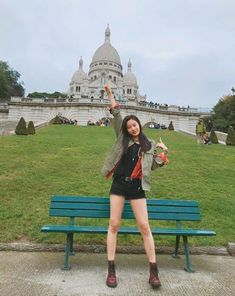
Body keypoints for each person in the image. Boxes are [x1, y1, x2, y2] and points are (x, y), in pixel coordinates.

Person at [102, 84, 169, 289]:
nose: (132, 128)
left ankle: (153, 271)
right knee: (114, 224)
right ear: (126, 128)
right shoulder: (122, 138)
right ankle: (111, 269)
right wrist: (110, 94)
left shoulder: (148, 145)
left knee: (144, 226)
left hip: (137, 188)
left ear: (139, 125)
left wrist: (164, 156)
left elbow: (150, 168)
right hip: (119, 185)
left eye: (135, 125)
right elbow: (116, 112)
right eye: (129, 126)